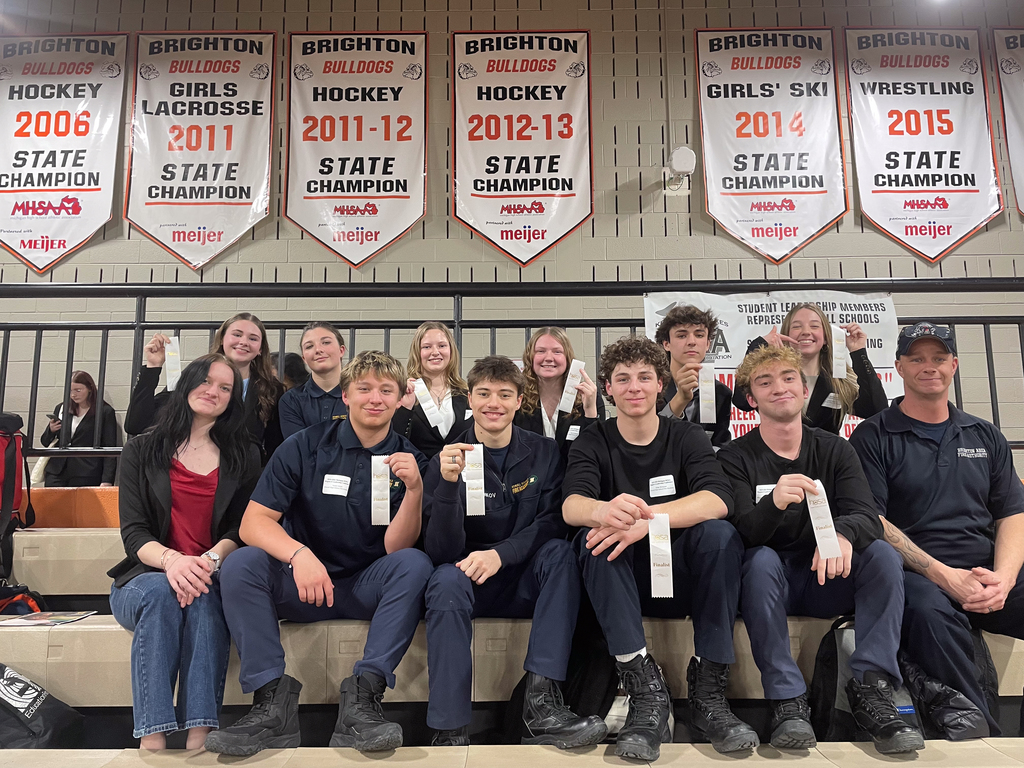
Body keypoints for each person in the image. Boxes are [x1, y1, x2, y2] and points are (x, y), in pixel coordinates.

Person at [205, 351, 433, 756]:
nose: (375, 398)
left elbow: (396, 549)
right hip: (304, 584)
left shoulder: (411, 460)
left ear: (401, 399)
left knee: (415, 564)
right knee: (241, 562)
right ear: (345, 396)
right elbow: (253, 524)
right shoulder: (304, 445)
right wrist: (299, 556)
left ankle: (363, 700)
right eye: (364, 388)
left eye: (386, 390)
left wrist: (415, 490)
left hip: (366, 587)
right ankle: (271, 703)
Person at [718, 345, 921, 754]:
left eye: (788, 378)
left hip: (825, 575)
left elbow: (866, 513)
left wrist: (843, 535)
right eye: (765, 382)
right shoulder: (734, 457)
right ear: (752, 400)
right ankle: (787, 700)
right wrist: (773, 502)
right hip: (764, 584)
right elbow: (741, 532)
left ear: (805, 390)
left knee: (882, 555)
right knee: (758, 560)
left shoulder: (834, 448)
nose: (779, 388)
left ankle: (871, 689)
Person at [562, 335, 756, 761]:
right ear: (607, 388)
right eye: (623, 378)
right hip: (621, 584)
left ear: (661, 385)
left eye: (644, 377)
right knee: (595, 537)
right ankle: (644, 691)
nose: (634, 387)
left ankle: (709, 693)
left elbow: (719, 500)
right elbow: (572, 505)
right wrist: (604, 511)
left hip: (682, 578)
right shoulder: (594, 439)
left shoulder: (686, 436)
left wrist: (647, 521)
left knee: (720, 536)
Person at [422, 355, 607, 748]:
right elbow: (441, 550)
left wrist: (501, 554)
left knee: (560, 553)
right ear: (469, 399)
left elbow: (553, 522)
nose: (494, 403)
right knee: (443, 580)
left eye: (505, 394)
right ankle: (450, 727)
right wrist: (448, 487)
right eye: (484, 393)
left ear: (519, 400)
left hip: (523, 574)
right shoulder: (448, 457)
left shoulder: (543, 452)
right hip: (467, 575)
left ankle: (542, 705)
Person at [850, 321, 1024, 737]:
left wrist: (1004, 578)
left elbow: (1012, 514)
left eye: (939, 358)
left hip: (988, 572)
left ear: (954, 365)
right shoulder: (873, 435)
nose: (929, 367)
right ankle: (982, 737)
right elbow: (872, 520)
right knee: (928, 612)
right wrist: (946, 577)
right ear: (899, 367)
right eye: (917, 358)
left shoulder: (985, 434)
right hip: (919, 575)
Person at [107, 354, 262, 750]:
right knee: (161, 593)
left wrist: (207, 562)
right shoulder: (142, 449)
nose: (213, 391)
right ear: (187, 383)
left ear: (233, 398)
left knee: (206, 597)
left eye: (225, 387)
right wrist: (173, 562)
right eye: (206, 381)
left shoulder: (244, 455)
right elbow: (134, 532)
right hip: (145, 577)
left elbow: (239, 529)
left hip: (208, 573)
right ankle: (153, 737)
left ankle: (199, 734)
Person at [125, 313, 284, 462]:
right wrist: (153, 367)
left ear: (260, 349)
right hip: (190, 472)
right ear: (222, 339)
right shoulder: (194, 377)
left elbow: (274, 445)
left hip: (243, 481)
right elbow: (137, 424)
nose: (243, 342)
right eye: (237, 334)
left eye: (253, 338)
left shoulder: (271, 389)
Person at [732, 303, 887, 435]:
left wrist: (858, 352)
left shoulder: (840, 380)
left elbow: (876, 410)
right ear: (785, 335)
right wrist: (756, 347)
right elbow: (742, 402)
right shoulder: (773, 379)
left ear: (826, 337)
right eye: (797, 327)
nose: (806, 331)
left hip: (826, 463)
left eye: (814, 326)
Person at [516, 327, 603, 465]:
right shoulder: (517, 397)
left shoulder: (587, 396)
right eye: (540, 351)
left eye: (557, 352)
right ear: (530, 357)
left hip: (573, 478)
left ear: (568, 358)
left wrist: (590, 412)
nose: (549, 358)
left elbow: (595, 450)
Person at [653, 306, 732, 449]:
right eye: (682, 335)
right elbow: (651, 438)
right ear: (666, 344)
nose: (691, 342)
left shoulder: (721, 393)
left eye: (699, 335)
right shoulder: (651, 387)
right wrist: (679, 400)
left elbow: (720, 445)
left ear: (708, 344)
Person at [393, 322, 472, 459]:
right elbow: (394, 439)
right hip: (418, 475)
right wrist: (405, 409)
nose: (435, 352)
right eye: (427, 347)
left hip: (459, 476)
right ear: (417, 352)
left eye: (442, 346)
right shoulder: (405, 393)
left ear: (451, 350)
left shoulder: (465, 393)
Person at [41, 370, 119, 487]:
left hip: (86, 471)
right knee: (52, 504)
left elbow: (110, 447)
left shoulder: (104, 412)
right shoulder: (62, 408)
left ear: (90, 388)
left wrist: (107, 479)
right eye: (70, 390)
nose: (73, 395)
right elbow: (45, 442)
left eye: (78, 390)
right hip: (57, 470)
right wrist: (51, 430)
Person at [278, 322, 348, 438]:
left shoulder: (361, 395)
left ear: (341, 350)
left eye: (326, 342)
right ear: (304, 358)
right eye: (309, 346)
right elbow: (298, 447)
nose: (318, 350)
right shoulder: (291, 400)